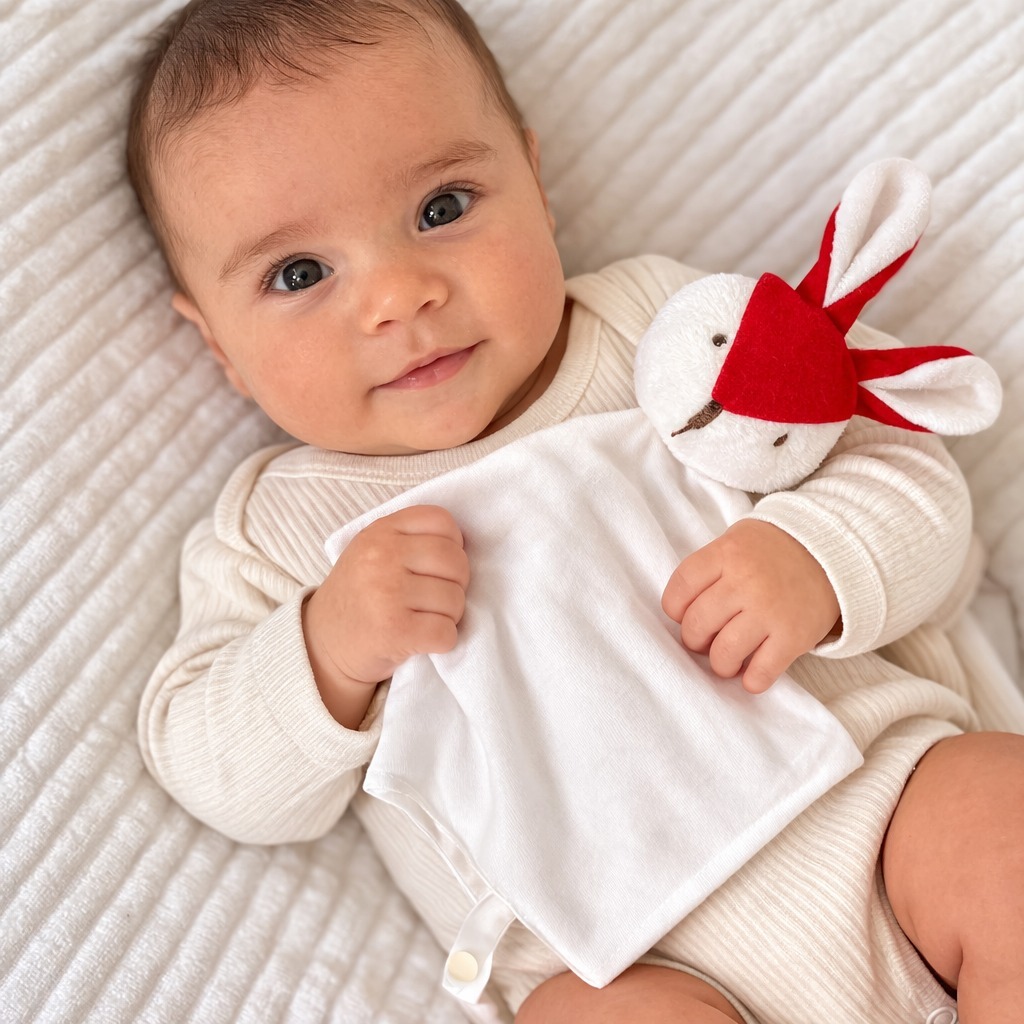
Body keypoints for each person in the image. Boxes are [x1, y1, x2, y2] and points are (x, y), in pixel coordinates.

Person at [128, 1, 1024, 1021]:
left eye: (442, 206)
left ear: (534, 182)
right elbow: (210, 766)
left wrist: (814, 559)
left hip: (877, 816)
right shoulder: (277, 532)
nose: (398, 296)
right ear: (217, 347)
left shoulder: (660, 332)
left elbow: (904, 466)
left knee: (1001, 820)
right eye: (300, 274)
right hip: (626, 968)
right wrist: (325, 649)